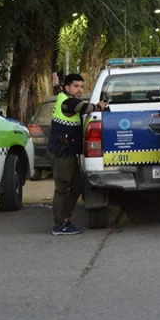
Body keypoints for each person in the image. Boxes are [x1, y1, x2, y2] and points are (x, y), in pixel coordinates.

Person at [48, 74, 107, 236]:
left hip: (68, 152)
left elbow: (59, 90)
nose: (80, 90)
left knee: (77, 187)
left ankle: (66, 220)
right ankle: (59, 224)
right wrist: (100, 106)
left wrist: (57, 84)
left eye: (81, 86)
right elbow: (84, 108)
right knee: (62, 189)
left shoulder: (62, 94)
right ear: (68, 88)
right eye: (76, 86)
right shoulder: (68, 102)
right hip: (62, 153)